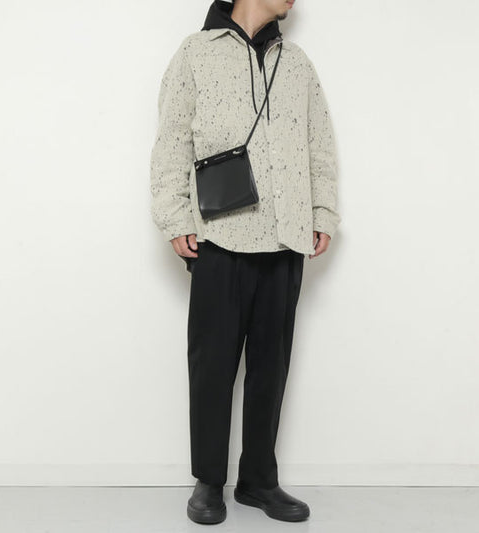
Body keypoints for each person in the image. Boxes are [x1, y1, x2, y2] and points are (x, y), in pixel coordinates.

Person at [150, 0, 341, 524]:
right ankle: (209, 480)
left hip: (285, 238)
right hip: (219, 236)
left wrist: (322, 211)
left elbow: (319, 144)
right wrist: (175, 217)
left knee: (270, 368)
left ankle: (258, 480)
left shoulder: (296, 62)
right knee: (212, 366)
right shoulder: (195, 53)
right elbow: (172, 142)